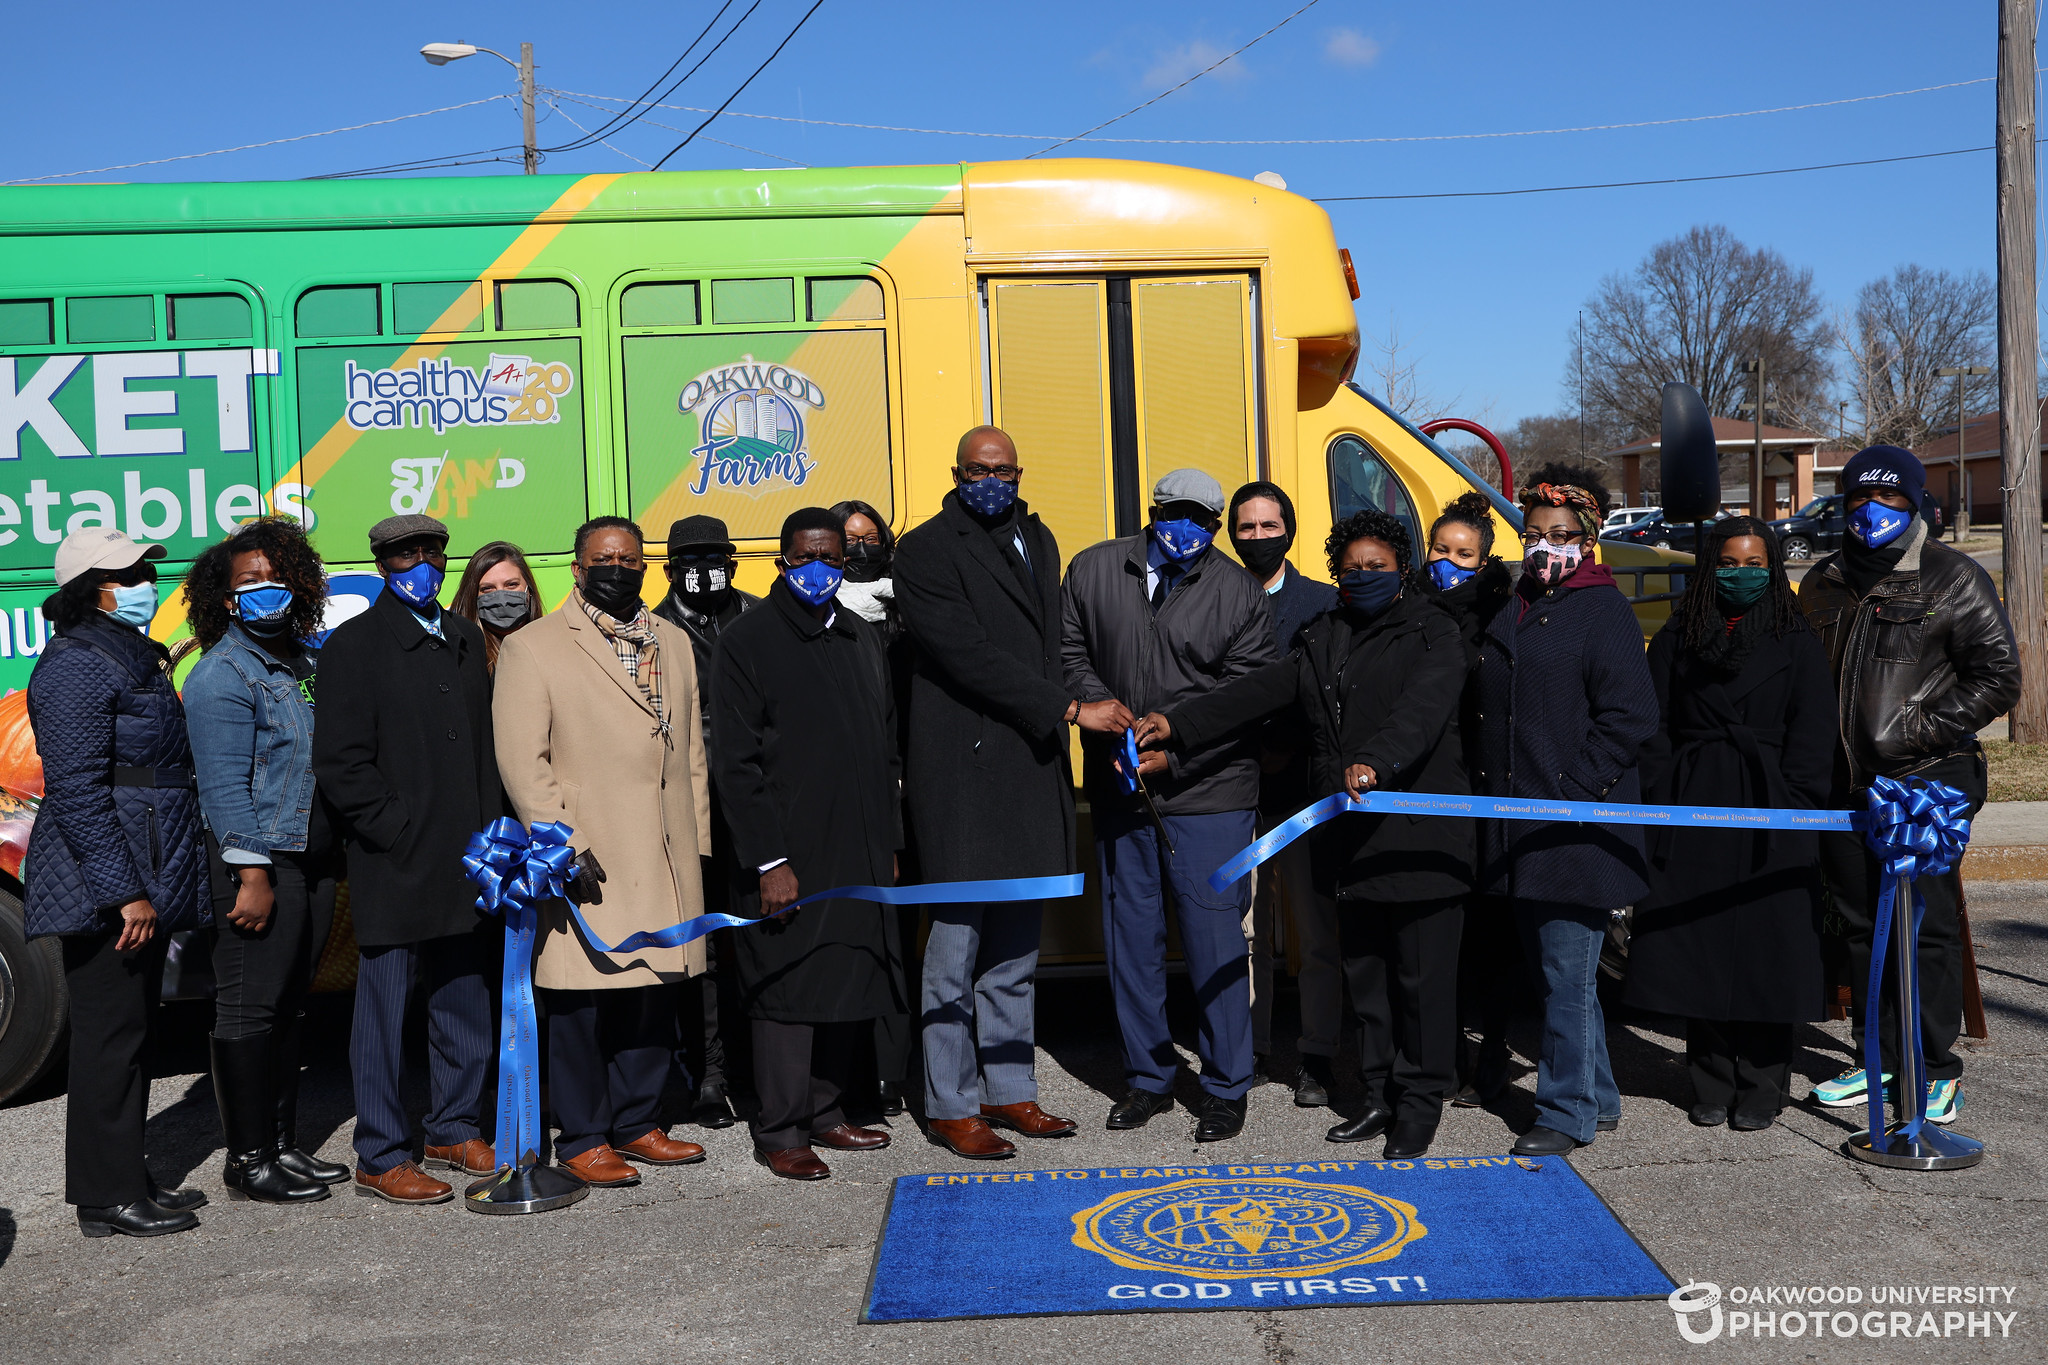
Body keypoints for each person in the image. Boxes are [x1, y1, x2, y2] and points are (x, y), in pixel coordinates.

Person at [1140, 509, 1473, 1158]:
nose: (1363, 577)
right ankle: (1376, 1093)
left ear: (1401, 568)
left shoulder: (1435, 631)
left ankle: (1419, 1103)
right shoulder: (1325, 634)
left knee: (1421, 983)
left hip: (1420, 840)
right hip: (1349, 842)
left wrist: (1376, 760)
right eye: (1351, 569)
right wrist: (1177, 726)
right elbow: (1258, 692)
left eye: (1376, 567)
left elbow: (1422, 712)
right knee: (1370, 983)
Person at [895, 427, 1111, 1159]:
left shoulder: (1038, 538)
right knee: (953, 955)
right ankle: (951, 1103)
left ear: (1019, 473)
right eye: (977, 470)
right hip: (967, 774)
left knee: (1017, 954)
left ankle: (1010, 1088)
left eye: (1004, 470)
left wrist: (1075, 701)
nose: (991, 481)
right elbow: (968, 656)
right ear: (956, 472)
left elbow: (1050, 643)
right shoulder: (924, 548)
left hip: (1032, 767)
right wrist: (1068, 708)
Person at [1799, 445, 2019, 1124]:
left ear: (1917, 503)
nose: (1873, 510)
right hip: (1844, 784)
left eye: (1890, 498)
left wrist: (1916, 730)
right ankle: (1882, 1059)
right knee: (1863, 926)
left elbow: (1998, 674)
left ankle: (1934, 1067)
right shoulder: (1824, 580)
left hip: (1923, 781)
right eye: (1861, 496)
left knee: (1922, 926)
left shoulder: (1953, 577)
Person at [494, 516, 711, 1188]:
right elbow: (524, 764)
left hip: (665, 849)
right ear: (579, 568)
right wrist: (564, 845)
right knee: (583, 998)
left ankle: (638, 1120)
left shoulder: (671, 639)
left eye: (631, 558)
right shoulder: (533, 647)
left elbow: (693, 751)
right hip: (590, 855)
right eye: (604, 558)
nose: (620, 567)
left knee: (650, 992)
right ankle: (585, 1135)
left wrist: (698, 840)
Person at [1062, 468, 1277, 1142]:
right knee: (1132, 939)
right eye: (1174, 512)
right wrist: (1100, 709)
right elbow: (1067, 651)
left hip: (1210, 793)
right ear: (1151, 511)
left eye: (1201, 518)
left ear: (1215, 526)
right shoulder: (1094, 569)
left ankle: (1224, 1087)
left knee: (1215, 941)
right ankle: (1148, 1079)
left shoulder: (1239, 592)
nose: (1186, 526)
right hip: (1123, 789)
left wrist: (1175, 747)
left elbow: (1249, 697)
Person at [312, 514, 502, 1204]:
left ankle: (452, 1124)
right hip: (395, 861)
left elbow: (481, 747)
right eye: (404, 556)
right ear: (383, 564)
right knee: (384, 1011)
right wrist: (396, 829)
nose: (419, 565)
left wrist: (490, 835)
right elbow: (340, 763)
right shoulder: (353, 645)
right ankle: (380, 1149)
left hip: (466, 859)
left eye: (430, 553)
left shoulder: (460, 637)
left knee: (463, 997)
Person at [25, 529, 210, 1238]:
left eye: (145, 570)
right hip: (102, 883)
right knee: (110, 1038)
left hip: (137, 868)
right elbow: (76, 790)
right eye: (128, 573)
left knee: (134, 1033)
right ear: (89, 589)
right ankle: (105, 1196)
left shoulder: (125, 653)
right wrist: (123, 891)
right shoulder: (76, 664)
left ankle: (125, 1177)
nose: (146, 581)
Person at [711, 508, 907, 1180]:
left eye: (833, 557)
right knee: (789, 990)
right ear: (783, 563)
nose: (822, 569)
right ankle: (782, 1127)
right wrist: (769, 859)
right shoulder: (748, 640)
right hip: (787, 856)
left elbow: (884, 749)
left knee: (846, 975)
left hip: (856, 845)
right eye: (807, 558)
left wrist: (888, 841)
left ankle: (826, 1111)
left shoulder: (859, 636)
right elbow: (735, 764)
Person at [1470, 464, 1658, 1156]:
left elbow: (1632, 716)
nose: (1545, 546)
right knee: (1565, 975)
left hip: (1576, 829)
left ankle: (1565, 1111)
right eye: (1534, 534)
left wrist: (1574, 789)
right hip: (1519, 829)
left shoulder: (1602, 607)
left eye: (1561, 535)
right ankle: (1598, 1096)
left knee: (1565, 977)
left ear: (1588, 541)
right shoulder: (1511, 601)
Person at [1626, 518, 1836, 1130]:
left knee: (1770, 951)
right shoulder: (1679, 635)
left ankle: (1765, 1082)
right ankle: (1710, 1080)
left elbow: (1814, 731)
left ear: (1772, 568)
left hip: (1772, 806)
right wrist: (1666, 791)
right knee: (1700, 947)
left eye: (1754, 563)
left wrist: (1794, 801)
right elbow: (1653, 724)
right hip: (1693, 805)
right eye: (1728, 562)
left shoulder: (1797, 639)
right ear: (1708, 566)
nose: (1741, 574)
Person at [183, 517, 346, 1205]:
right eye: (250, 582)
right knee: (249, 1008)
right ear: (226, 597)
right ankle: (248, 1161)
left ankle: (282, 1145)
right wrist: (251, 873)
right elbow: (222, 788)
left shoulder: (303, 661)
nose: (265, 591)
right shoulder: (221, 674)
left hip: (308, 862)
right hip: (261, 865)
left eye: (277, 579)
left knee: (285, 1007)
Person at [1224, 480, 1340, 1107]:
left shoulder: (1323, 604)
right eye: (1248, 527)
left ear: (1290, 530)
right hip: (1234, 789)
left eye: (1271, 526)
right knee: (1245, 935)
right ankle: (1250, 1049)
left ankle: (1318, 1055)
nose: (1260, 537)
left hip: (1302, 793)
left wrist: (1291, 745)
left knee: (1315, 932)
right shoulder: (1214, 595)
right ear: (1232, 533)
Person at [653, 514, 762, 1129]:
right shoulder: (652, 628)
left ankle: (757, 1066)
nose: (705, 571)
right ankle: (708, 1075)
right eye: (691, 560)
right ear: (669, 571)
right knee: (701, 953)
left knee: (756, 938)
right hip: (685, 813)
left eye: (716, 558)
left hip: (754, 808)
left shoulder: (755, 616)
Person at [1413, 493, 1517, 1107]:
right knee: (1441, 936)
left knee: (1493, 939)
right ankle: (1446, 1056)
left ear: (1484, 562)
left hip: (1490, 790)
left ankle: (1494, 1056)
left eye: (1464, 555)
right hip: (1430, 789)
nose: (1449, 564)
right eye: (1441, 551)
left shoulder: (1503, 612)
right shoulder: (1409, 607)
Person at [828, 496, 916, 1118]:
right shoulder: (821, 616)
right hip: (844, 800)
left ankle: (895, 1070)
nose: (859, 550)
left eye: (869, 539)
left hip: (907, 796)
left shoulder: (907, 610)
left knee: (899, 940)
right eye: (846, 540)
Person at [450, 540, 543, 672]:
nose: (501, 599)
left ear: (529, 590)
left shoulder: (551, 645)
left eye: (511, 585)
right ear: (473, 596)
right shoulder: (463, 657)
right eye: (487, 588)